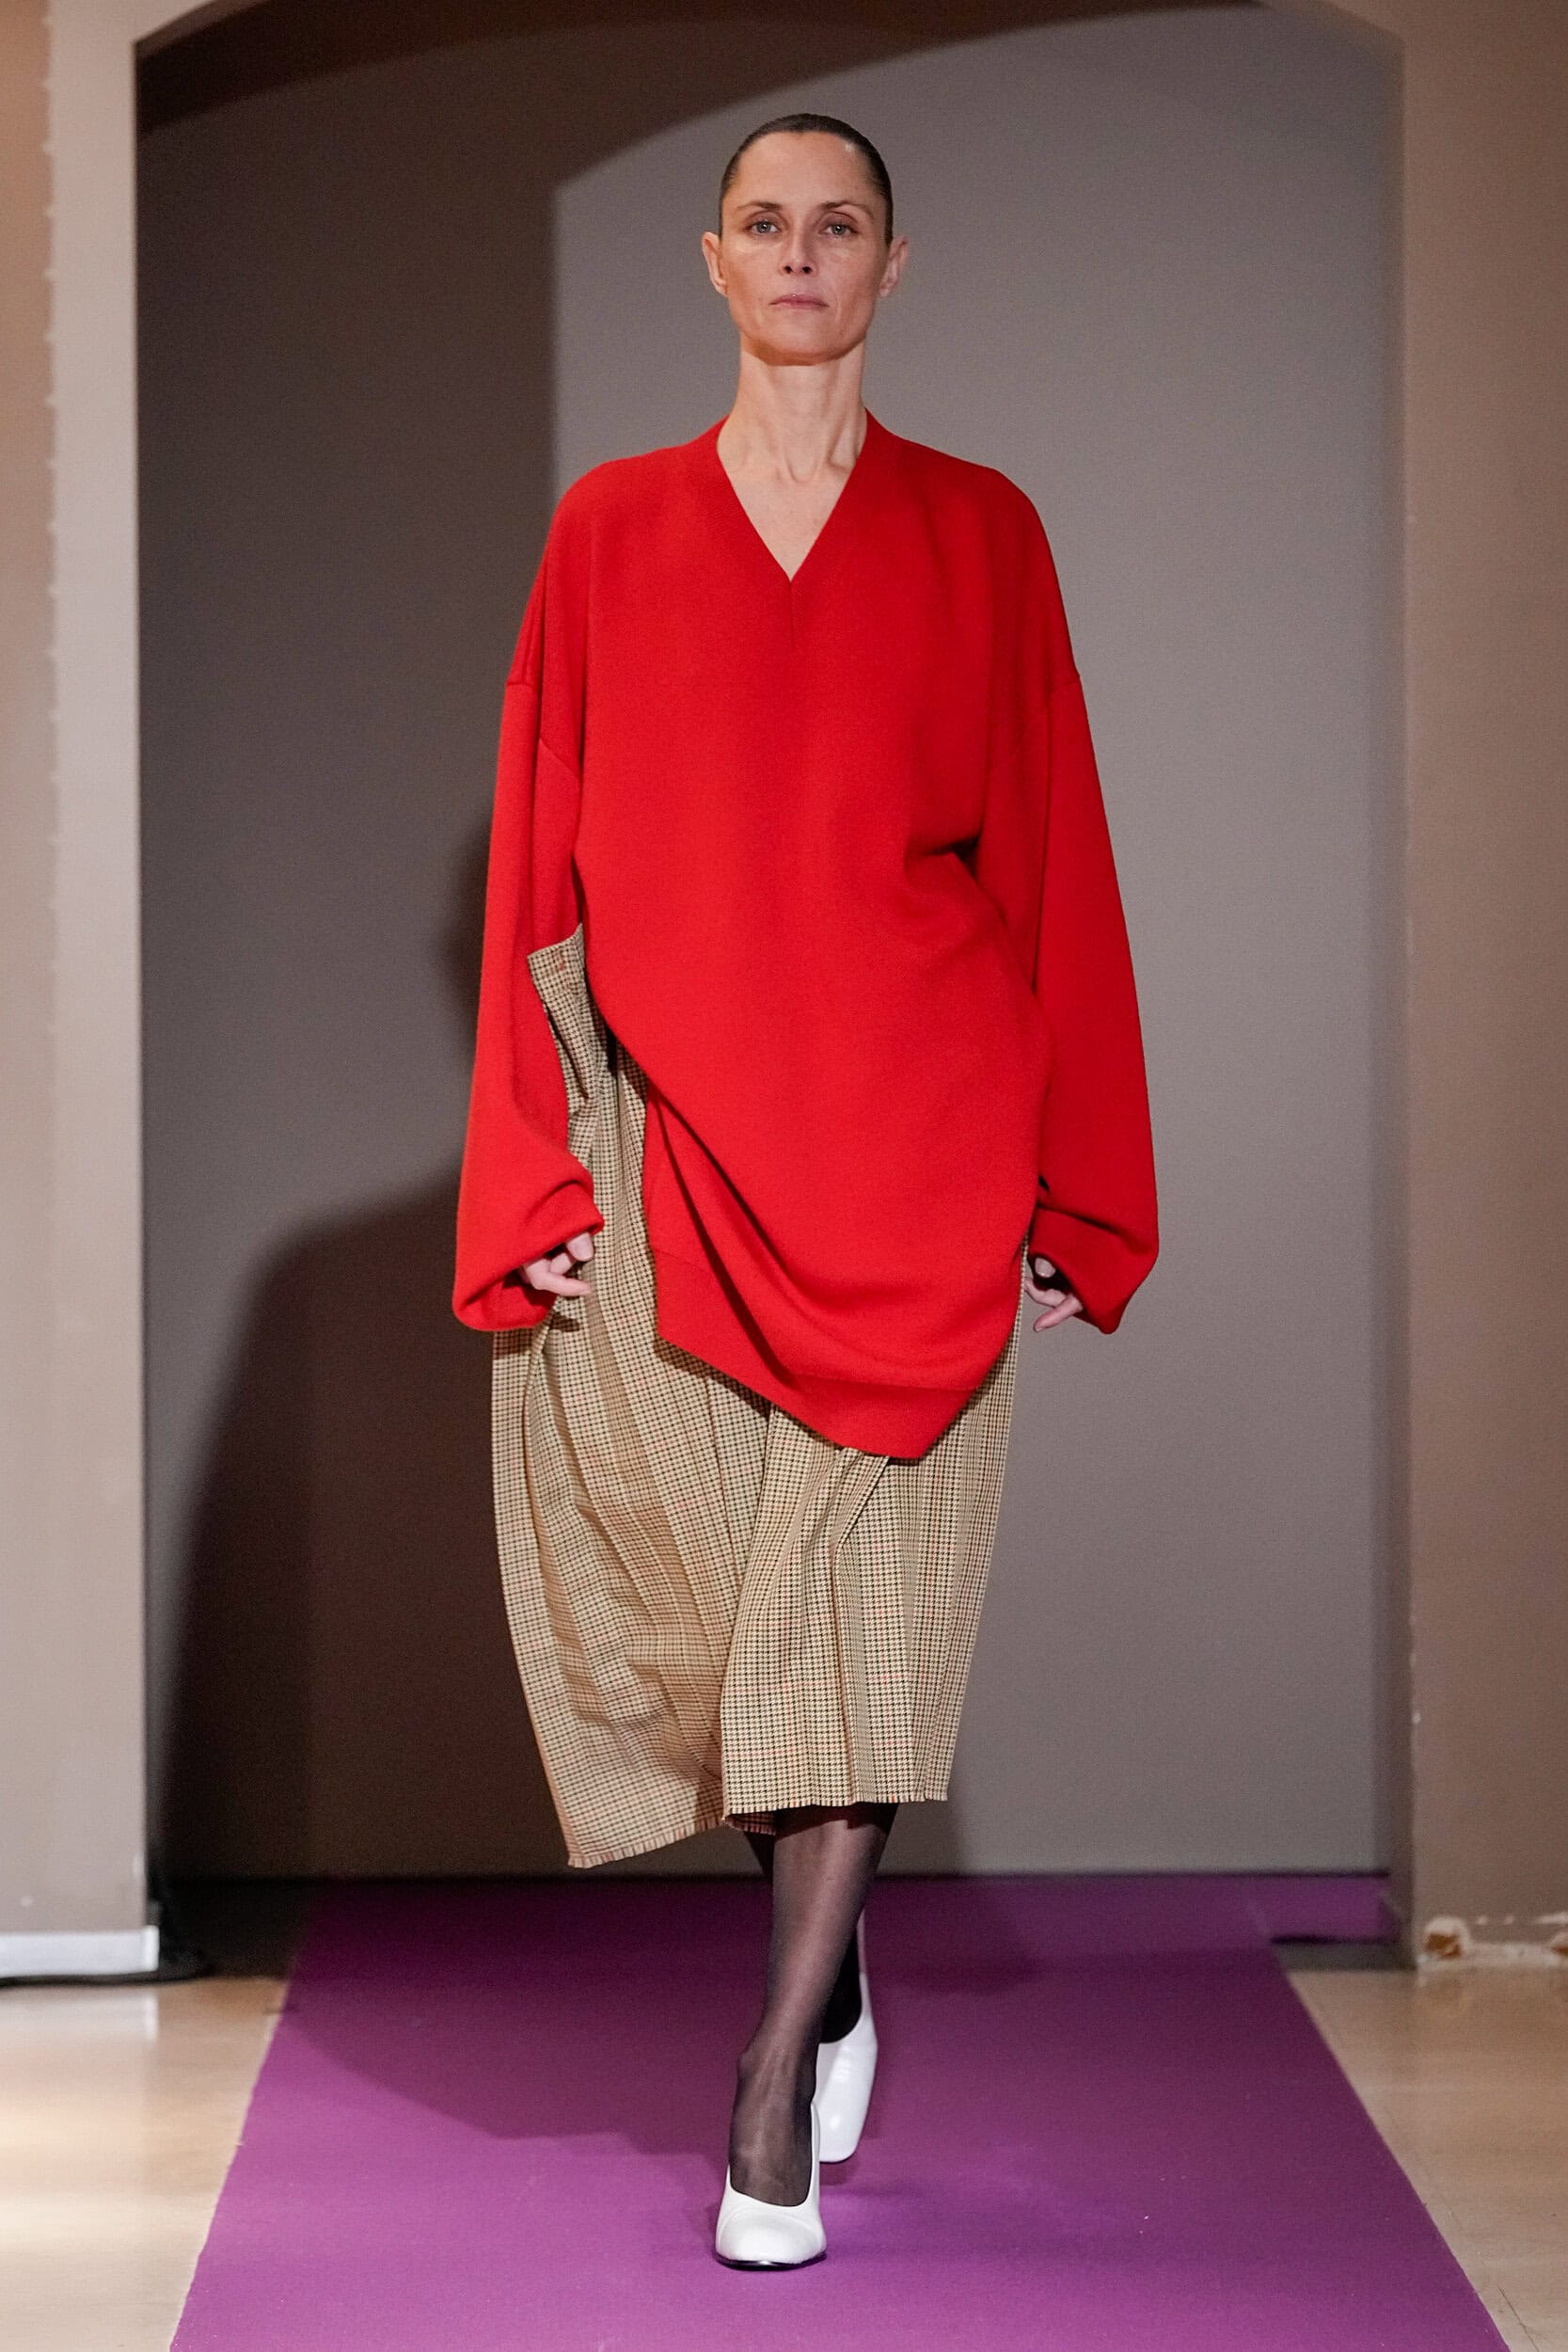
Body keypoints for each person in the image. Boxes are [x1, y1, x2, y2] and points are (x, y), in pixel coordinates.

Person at [452, 112, 1158, 2269]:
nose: (797, 254)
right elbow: (537, 843)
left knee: (858, 1613)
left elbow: (1054, 842)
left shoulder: (982, 528)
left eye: (835, 225)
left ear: (889, 266)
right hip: (674, 1140)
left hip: (921, 1139)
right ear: (713, 259)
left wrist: (1082, 1181)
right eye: (763, 222)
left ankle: (770, 2078)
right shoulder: (612, 526)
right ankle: (832, 1963)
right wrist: (526, 1161)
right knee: (715, 1611)